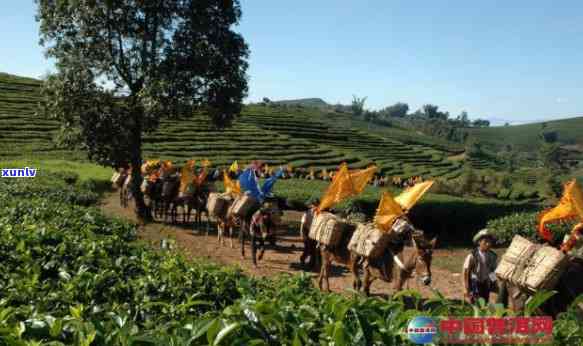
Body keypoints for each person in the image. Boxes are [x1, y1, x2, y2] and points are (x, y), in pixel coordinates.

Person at [463, 229, 498, 304]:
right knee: (475, 303)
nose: (488, 244)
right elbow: (466, 272)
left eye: (490, 242)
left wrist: (494, 283)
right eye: (485, 242)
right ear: (479, 242)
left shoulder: (492, 256)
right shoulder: (472, 255)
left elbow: (492, 271)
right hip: (475, 283)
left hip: (486, 283)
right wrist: (466, 288)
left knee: (485, 302)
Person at [299, 198, 320, 270]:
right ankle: (302, 259)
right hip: (307, 231)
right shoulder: (307, 213)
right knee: (307, 248)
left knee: (314, 249)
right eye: (315, 205)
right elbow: (303, 224)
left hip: (314, 232)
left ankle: (311, 264)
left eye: (317, 205)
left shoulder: (319, 213)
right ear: (312, 205)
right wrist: (302, 234)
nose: (316, 207)